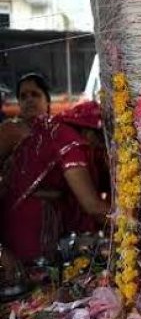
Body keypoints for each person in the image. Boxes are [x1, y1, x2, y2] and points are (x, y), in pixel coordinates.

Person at [0, 101, 110, 273]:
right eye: (101, 141)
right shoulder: (71, 142)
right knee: (35, 281)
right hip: (30, 226)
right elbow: (92, 205)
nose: (100, 147)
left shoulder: (55, 129)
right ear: (90, 132)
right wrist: (131, 226)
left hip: (18, 220)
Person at [0, 73, 52, 166]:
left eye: (35, 94)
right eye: (23, 96)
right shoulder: (9, 130)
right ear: (19, 103)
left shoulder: (59, 128)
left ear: (47, 100)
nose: (29, 100)